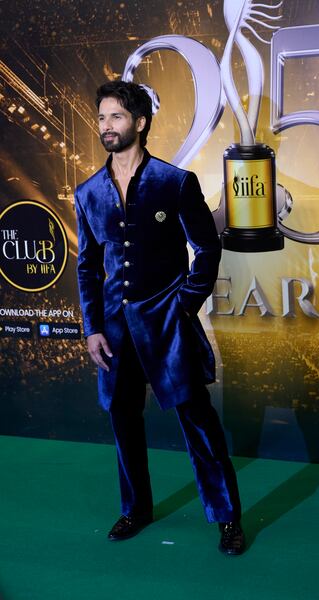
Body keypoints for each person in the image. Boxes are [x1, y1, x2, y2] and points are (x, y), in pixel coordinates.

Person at [74, 80, 244, 555]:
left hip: (169, 325)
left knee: (198, 420)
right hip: (114, 330)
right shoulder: (87, 193)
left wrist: (184, 304)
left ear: (140, 122)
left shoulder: (175, 182)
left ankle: (227, 518)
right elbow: (87, 267)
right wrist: (92, 327)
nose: (106, 126)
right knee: (123, 419)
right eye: (102, 117)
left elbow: (207, 248)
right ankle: (135, 509)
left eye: (116, 117)